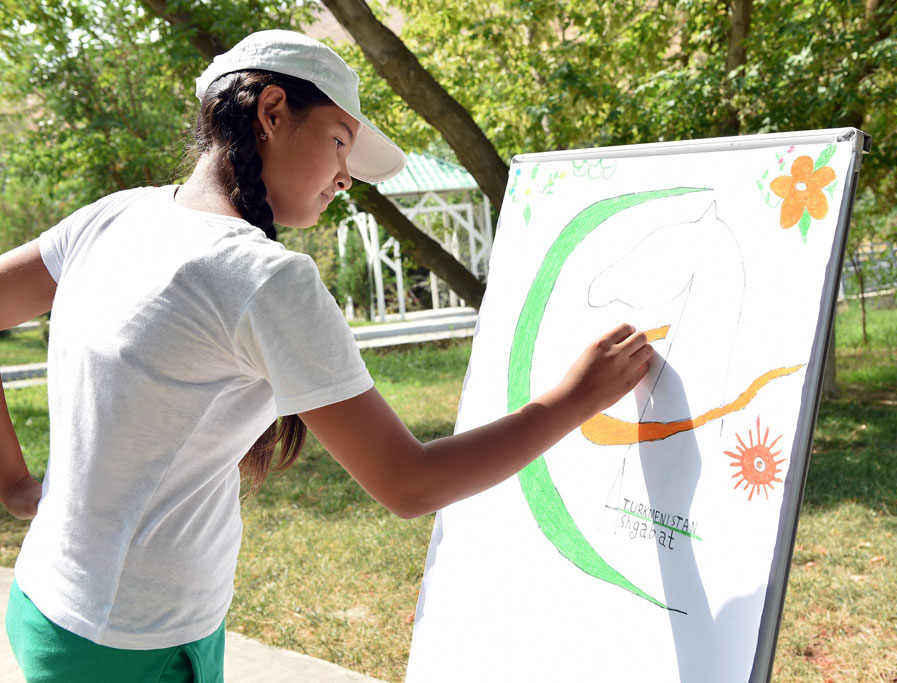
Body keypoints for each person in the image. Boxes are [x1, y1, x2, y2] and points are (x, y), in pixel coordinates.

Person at [0, 30, 652, 682]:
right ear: (272, 111)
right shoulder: (264, 278)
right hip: (133, 645)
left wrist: (14, 484)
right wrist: (574, 398)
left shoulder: (116, 216)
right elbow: (410, 483)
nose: (345, 177)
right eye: (340, 141)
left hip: (50, 605)